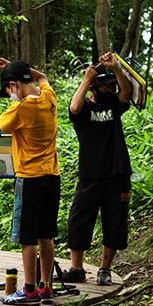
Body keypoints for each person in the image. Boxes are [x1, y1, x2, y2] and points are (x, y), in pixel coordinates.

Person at [0, 58, 60, 306]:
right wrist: (19, 67)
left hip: (29, 179)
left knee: (27, 237)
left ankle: (29, 290)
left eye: (9, 91)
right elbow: (42, 78)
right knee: (46, 234)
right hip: (52, 176)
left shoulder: (19, 110)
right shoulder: (49, 98)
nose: (10, 96)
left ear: (14, 85)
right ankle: (46, 286)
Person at [62, 52, 132, 286]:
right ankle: (76, 268)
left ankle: (105, 269)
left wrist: (116, 69)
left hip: (117, 172)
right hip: (90, 174)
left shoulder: (114, 104)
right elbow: (73, 107)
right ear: (95, 87)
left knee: (115, 222)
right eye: (106, 84)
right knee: (80, 220)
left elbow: (127, 93)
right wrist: (85, 80)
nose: (111, 87)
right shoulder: (83, 109)